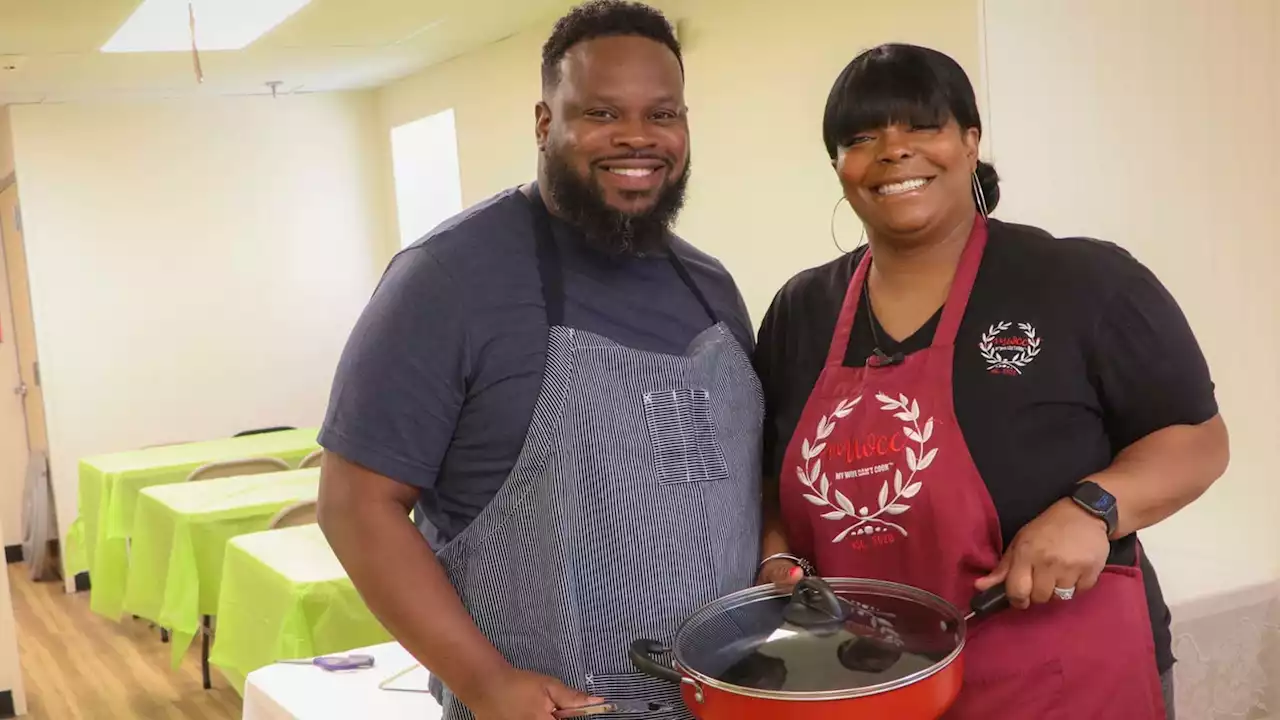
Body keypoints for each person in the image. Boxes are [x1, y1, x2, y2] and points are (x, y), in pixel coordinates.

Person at [752, 43, 1228, 720]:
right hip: (869, 685)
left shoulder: (1079, 281)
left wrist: (1094, 508)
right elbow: (773, 484)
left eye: (923, 126)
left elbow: (1198, 438)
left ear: (970, 141)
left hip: (1061, 680)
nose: (894, 151)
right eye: (861, 137)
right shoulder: (801, 312)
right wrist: (779, 566)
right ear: (839, 166)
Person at [315, 2, 762, 719]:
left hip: (729, 703)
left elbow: (739, 484)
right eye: (602, 113)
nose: (638, 138)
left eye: (663, 114)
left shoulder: (709, 288)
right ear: (545, 122)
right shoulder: (448, 279)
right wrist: (485, 680)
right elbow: (353, 505)